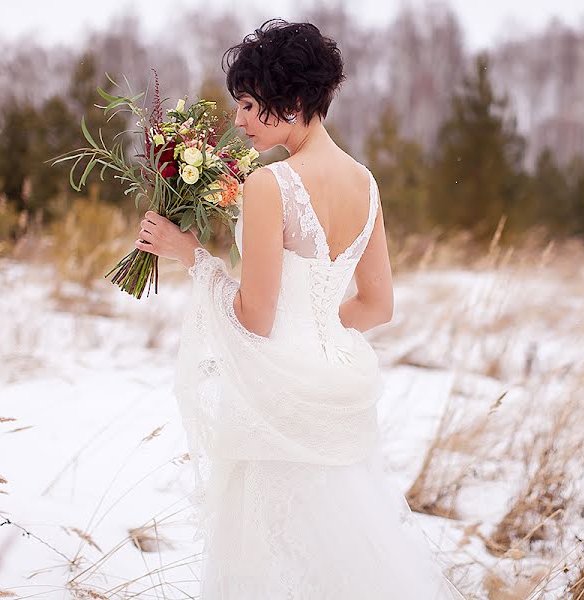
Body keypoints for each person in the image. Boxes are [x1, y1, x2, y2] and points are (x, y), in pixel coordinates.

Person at [133, 18, 466, 600]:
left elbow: (255, 317)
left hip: (280, 397)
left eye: (246, 104)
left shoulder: (271, 185)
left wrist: (192, 256)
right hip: (335, 379)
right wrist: (316, 335)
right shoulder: (365, 182)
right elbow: (378, 304)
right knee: (338, 555)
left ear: (289, 102)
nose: (236, 121)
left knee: (273, 557)